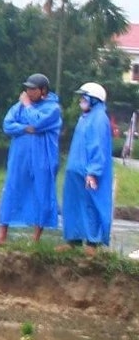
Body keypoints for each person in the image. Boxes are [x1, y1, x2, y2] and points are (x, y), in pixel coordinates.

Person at [0, 73, 60, 244]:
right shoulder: (19, 106)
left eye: (32, 89)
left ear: (43, 90)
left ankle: (35, 238)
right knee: (12, 189)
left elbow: (38, 123)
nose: (28, 92)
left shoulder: (53, 109)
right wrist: (24, 128)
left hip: (42, 159)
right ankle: (2, 234)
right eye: (27, 89)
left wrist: (28, 108)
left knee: (41, 193)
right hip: (19, 157)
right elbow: (8, 124)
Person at [62, 82, 115, 251]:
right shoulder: (84, 117)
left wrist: (93, 172)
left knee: (91, 205)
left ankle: (92, 243)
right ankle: (73, 240)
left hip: (89, 173)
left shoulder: (99, 119)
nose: (80, 100)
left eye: (84, 97)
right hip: (75, 172)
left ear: (94, 99)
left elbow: (98, 147)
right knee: (73, 205)